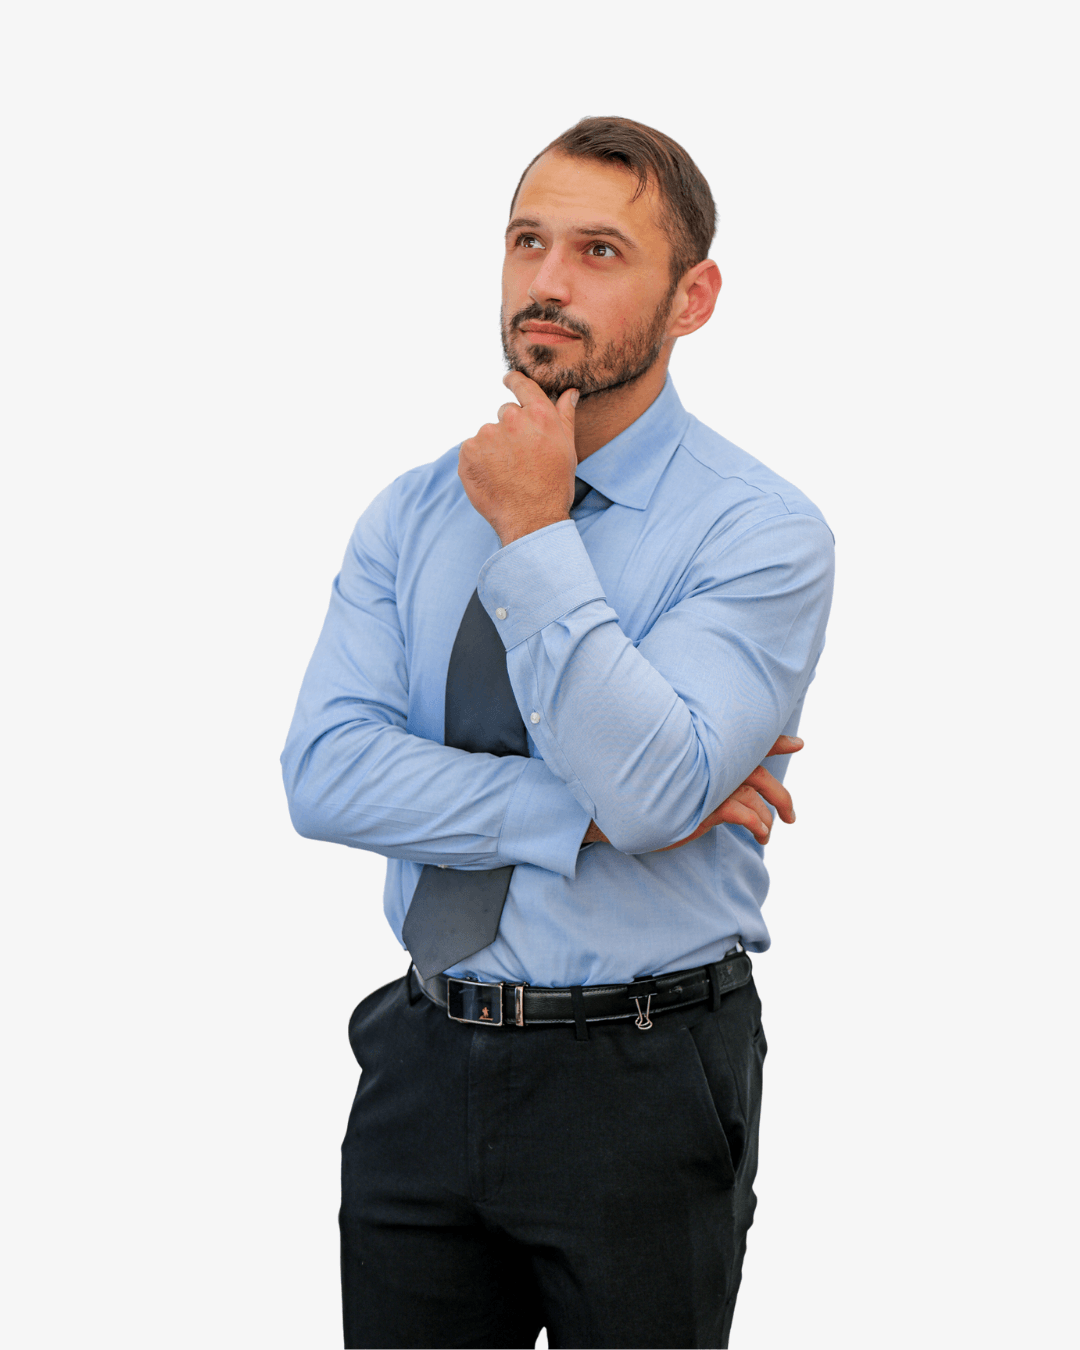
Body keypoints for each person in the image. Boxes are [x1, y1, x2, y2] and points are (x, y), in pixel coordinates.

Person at [281, 115, 834, 1349]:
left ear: (692, 299)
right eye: (527, 241)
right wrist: (583, 814)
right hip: (424, 1056)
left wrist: (535, 532)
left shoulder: (760, 533)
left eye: (599, 251)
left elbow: (652, 794)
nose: (548, 281)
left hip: (642, 1079)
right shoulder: (414, 511)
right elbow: (324, 775)